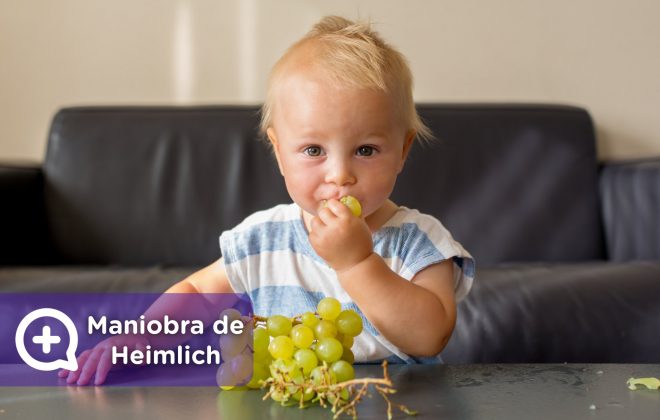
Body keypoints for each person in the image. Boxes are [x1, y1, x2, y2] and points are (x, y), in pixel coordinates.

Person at [61, 15, 474, 386]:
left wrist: (357, 263)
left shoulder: (420, 240)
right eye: (313, 150)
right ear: (278, 152)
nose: (340, 175)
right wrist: (131, 342)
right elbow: (198, 296)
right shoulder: (264, 237)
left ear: (402, 150)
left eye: (366, 150)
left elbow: (429, 334)